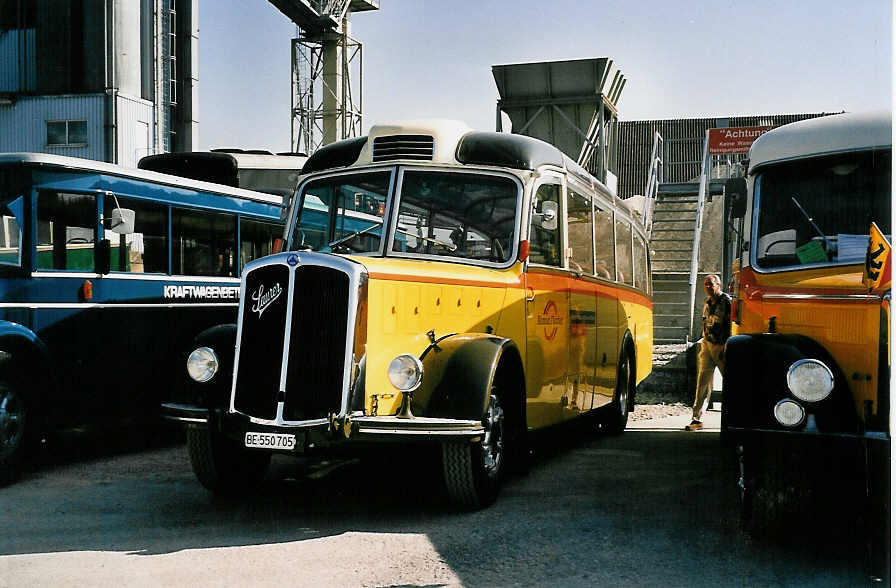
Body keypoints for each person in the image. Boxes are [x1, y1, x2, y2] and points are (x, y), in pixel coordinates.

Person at [685, 274, 731, 431]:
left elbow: (730, 325)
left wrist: (726, 346)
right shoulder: (707, 302)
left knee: (730, 381)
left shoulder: (726, 301)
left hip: (721, 345)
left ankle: (734, 417)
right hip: (707, 344)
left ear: (718, 285)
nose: (708, 287)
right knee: (703, 382)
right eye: (706, 284)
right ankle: (697, 418)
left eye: (711, 284)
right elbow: (705, 322)